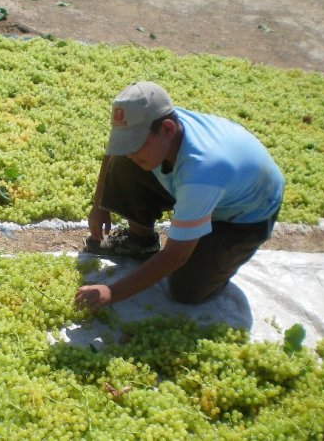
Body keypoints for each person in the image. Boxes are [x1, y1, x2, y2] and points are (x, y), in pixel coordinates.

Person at [74, 81, 284, 310]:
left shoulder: (202, 172)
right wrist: (99, 206)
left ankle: (219, 254)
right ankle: (140, 242)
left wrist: (112, 292)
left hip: (245, 216)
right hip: (206, 188)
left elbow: (175, 256)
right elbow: (115, 150)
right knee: (126, 162)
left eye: (135, 143)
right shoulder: (157, 126)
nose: (130, 150)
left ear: (167, 129)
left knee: (186, 291)